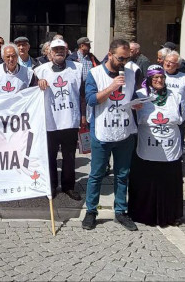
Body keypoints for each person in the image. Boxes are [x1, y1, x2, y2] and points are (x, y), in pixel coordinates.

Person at [83, 38, 140, 231]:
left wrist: (137, 103)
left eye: (127, 59)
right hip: (102, 131)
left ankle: (120, 211)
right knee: (96, 174)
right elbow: (91, 100)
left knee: (122, 174)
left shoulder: (130, 73)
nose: (124, 63)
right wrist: (111, 87)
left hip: (124, 132)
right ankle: (91, 211)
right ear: (110, 55)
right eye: (120, 58)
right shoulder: (95, 73)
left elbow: (133, 95)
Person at [129, 65, 184, 227]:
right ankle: (145, 214)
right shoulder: (140, 95)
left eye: (162, 77)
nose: (159, 80)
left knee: (168, 181)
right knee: (148, 180)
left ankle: (170, 215)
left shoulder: (175, 95)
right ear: (149, 79)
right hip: (147, 145)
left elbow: (181, 118)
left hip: (169, 144)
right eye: (155, 78)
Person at [36, 39, 84, 200]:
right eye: (55, 49)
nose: (59, 52)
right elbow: (32, 93)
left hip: (70, 119)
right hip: (50, 121)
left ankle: (68, 186)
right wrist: (38, 83)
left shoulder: (77, 68)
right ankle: (50, 185)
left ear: (67, 51)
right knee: (50, 156)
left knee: (69, 156)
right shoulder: (40, 71)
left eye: (62, 49)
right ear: (49, 52)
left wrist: (83, 115)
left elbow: (83, 94)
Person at [162, 50, 185, 155]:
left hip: (178, 112)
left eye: (171, 62)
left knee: (179, 132)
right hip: (162, 111)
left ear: (178, 65)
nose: (167, 64)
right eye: (166, 61)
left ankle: (179, 150)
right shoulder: (158, 75)